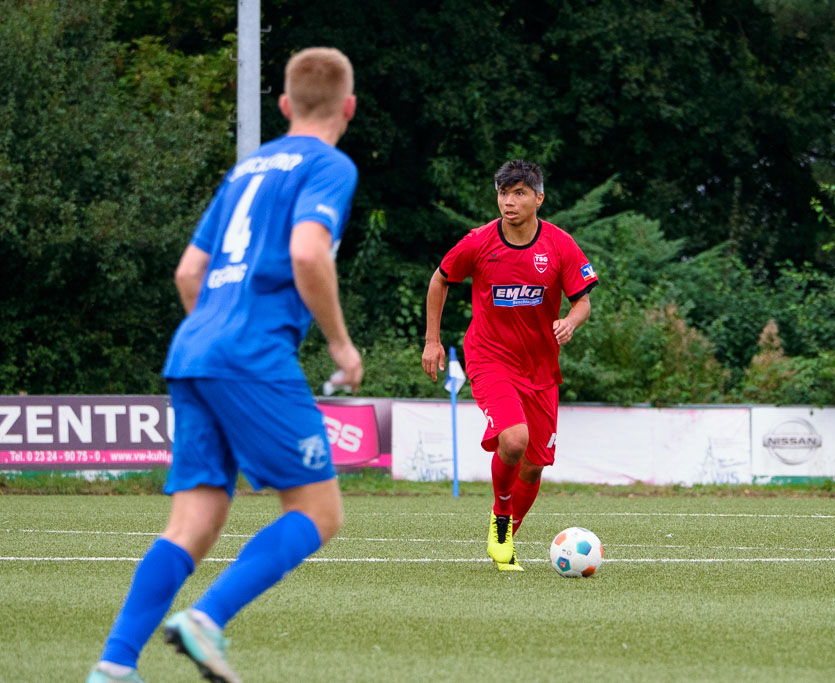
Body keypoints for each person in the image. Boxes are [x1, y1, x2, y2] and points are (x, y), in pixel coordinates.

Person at [88, 47, 363, 683]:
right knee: (319, 513)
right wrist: (341, 346)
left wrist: (215, 331)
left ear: (285, 104)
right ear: (348, 107)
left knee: (194, 521)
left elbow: (190, 271)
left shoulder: (248, 168)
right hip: (252, 353)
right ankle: (206, 619)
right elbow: (307, 253)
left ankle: (115, 668)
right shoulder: (331, 166)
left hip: (193, 348)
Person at [421, 160, 598, 571]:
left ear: (539, 197)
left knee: (534, 466)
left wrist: (570, 321)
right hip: (488, 357)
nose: (508, 201)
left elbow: (583, 300)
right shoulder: (479, 241)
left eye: (519, 193)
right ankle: (501, 520)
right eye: (503, 193)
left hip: (539, 368)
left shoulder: (560, 245)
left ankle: (507, 535)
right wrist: (432, 341)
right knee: (513, 441)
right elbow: (440, 278)